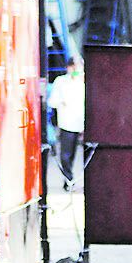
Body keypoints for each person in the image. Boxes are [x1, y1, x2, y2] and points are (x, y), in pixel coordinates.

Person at [49, 57, 85, 189]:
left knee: (75, 154)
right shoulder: (61, 82)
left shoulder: (83, 83)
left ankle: (69, 180)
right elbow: (52, 101)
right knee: (65, 155)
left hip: (80, 123)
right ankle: (69, 179)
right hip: (67, 123)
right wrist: (61, 102)